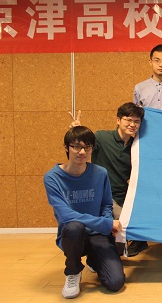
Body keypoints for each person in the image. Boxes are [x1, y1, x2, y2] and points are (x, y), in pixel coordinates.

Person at [44, 126, 125, 298]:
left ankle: (94, 259)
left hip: (97, 234)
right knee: (74, 226)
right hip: (73, 235)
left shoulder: (100, 173)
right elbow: (65, 215)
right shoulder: (52, 178)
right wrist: (104, 223)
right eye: (76, 147)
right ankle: (73, 271)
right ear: (66, 148)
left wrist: (107, 225)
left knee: (116, 282)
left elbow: (106, 205)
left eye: (87, 147)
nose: (82, 152)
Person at [70, 102, 147, 257]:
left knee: (139, 220)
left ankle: (134, 243)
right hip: (103, 195)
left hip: (124, 195)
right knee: (121, 226)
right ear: (118, 120)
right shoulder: (101, 137)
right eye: (128, 120)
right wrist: (76, 131)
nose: (132, 124)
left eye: (136, 121)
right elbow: (83, 146)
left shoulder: (136, 146)